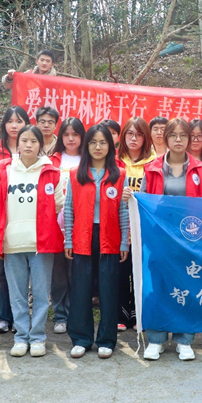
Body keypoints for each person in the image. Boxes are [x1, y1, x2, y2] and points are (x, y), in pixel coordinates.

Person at [132, 118, 202, 361]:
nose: (178, 140)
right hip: (160, 241)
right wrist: (131, 198)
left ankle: (184, 339)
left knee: (187, 287)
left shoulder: (199, 169)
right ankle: (156, 339)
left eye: (183, 135)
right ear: (165, 138)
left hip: (190, 242)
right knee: (158, 287)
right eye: (173, 135)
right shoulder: (152, 169)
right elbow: (144, 204)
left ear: (189, 139)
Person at [0, 125, 65, 357]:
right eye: (25, 140)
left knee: (41, 294)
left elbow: (59, 206)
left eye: (34, 140)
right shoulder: (5, 170)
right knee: (17, 294)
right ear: (18, 143)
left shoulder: (52, 172)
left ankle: (38, 337)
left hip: (41, 243)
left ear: (40, 144)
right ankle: (21, 337)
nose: (29, 144)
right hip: (12, 243)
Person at [64, 124, 129, 359]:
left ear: (110, 146)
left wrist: (124, 242)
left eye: (103, 142)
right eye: (93, 142)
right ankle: (81, 339)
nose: (98, 147)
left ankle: (106, 340)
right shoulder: (75, 174)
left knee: (108, 289)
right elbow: (69, 208)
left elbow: (123, 211)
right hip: (82, 236)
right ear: (87, 146)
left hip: (109, 236)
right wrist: (68, 239)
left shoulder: (120, 174)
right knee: (81, 289)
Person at [0, 106, 30, 334]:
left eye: (19, 121)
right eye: (10, 121)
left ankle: (21, 317)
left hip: (24, 217)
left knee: (23, 272)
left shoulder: (31, 148)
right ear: (4, 125)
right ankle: (3, 316)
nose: (14, 125)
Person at [116, 117, 157, 331]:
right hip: (119, 226)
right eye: (130, 134)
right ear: (123, 136)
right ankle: (123, 314)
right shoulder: (114, 161)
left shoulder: (154, 163)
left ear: (146, 138)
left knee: (141, 273)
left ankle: (141, 313)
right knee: (121, 272)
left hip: (144, 228)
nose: (134, 138)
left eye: (139, 134)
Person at [49, 117, 85, 333]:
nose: (71, 139)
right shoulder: (52, 161)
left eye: (75, 134)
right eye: (66, 134)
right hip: (55, 225)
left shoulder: (88, 160)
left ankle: (76, 314)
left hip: (81, 226)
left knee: (77, 273)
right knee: (58, 274)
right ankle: (60, 315)